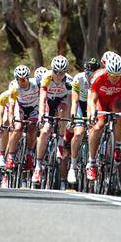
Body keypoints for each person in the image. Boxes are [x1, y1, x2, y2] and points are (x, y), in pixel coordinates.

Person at [86, 54, 121, 182]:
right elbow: (92, 99)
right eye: (112, 75)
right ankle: (92, 162)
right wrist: (91, 115)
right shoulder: (98, 77)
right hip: (100, 100)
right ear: (107, 71)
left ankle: (117, 147)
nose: (114, 78)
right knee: (98, 126)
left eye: (117, 76)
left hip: (115, 101)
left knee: (120, 112)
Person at [33, 56, 73, 188]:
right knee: (44, 131)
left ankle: (60, 140)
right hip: (48, 102)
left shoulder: (69, 81)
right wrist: (41, 117)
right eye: (57, 72)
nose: (59, 75)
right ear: (52, 70)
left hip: (61, 102)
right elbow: (42, 99)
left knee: (63, 110)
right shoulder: (46, 77)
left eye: (62, 72)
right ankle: (38, 166)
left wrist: (69, 119)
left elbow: (70, 101)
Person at [67, 57, 99, 184]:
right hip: (81, 105)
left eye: (92, 73)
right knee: (79, 133)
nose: (89, 75)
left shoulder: (99, 80)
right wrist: (73, 118)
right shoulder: (78, 78)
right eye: (87, 72)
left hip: (94, 106)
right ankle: (73, 167)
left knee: (95, 131)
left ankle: (93, 161)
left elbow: (97, 102)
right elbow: (74, 102)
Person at [6, 65, 39, 171]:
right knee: (17, 128)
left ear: (28, 78)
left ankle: (29, 154)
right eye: (20, 79)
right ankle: (10, 157)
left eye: (24, 79)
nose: (22, 81)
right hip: (20, 107)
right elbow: (11, 105)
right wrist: (11, 120)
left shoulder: (36, 84)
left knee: (32, 129)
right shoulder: (13, 86)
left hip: (34, 107)